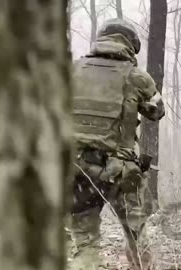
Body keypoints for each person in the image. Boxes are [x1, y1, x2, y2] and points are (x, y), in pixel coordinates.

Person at [68, 18, 165, 269]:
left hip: (76, 169)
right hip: (120, 171)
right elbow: (157, 111)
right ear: (130, 45)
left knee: (86, 246)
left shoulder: (72, 71)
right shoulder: (136, 77)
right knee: (136, 236)